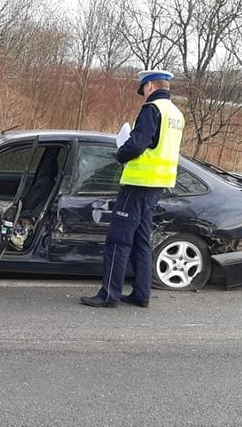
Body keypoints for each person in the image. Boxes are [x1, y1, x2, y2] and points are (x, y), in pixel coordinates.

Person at [81, 69, 185, 309]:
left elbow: (138, 143)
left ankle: (109, 295)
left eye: (143, 90)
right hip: (158, 184)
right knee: (141, 240)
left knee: (118, 239)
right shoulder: (176, 114)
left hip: (139, 183)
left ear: (149, 87)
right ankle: (141, 293)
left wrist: (121, 153)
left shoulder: (152, 110)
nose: (143, 95)